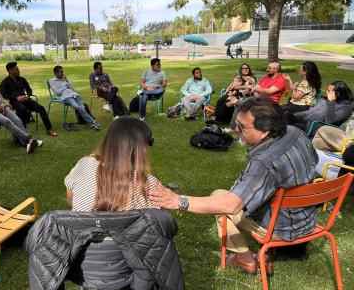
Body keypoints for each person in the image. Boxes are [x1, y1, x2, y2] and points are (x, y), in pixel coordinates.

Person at [149, 97, 318, 274]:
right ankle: (285, 250)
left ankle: (245, 259)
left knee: (219, 199)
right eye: (236, 123)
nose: (236, 130)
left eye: (242, 127)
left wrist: (178, 200)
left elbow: (231, 205)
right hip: (308, 221)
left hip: (283, 229)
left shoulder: (264, 162)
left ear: (265, 130)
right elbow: (314, 162)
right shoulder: (295, 132)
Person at [65, 116, 160, 211]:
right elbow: (158, 219)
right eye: (150, 142)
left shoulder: (85, 165)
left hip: (82, 225)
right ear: (141, 148)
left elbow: (70, 198)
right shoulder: (150, 184)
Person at [0, 62, 58, 137]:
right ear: (10, 71)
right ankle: (23, 131)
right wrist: (16, 98)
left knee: (41, 108)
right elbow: (4, 94)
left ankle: (49, 129)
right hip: (14, 102)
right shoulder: (5, 82)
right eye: (16, 69)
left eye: (18, 69)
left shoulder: (22, 79)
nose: (18, 70)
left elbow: (29, 89)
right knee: (22, 110)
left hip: (26, 100)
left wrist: (28, 96)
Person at [48, 65, 101, 130]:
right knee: (77, 106)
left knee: (82, 107)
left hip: (74, 95)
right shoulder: (52, 81)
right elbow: (57, 93)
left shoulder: (64, 79)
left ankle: (92, 122)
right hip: (66, 97)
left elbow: (72, 88)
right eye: (61, 72)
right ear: (55, 73)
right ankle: (93, 122)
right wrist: (65, 86)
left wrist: (66, 80)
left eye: (62, 71)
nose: (62, 73)